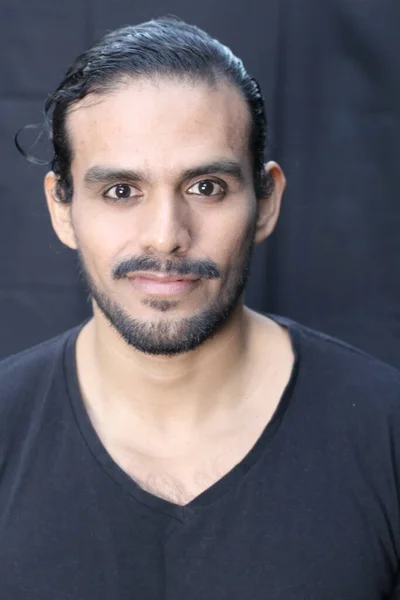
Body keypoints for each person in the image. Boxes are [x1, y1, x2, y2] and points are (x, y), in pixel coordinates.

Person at [1, 16, 400, 600]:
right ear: (63, 210)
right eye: (120, 191)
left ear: (265, 203)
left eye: (206, 186)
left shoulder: (386, 430)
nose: (165, 237)